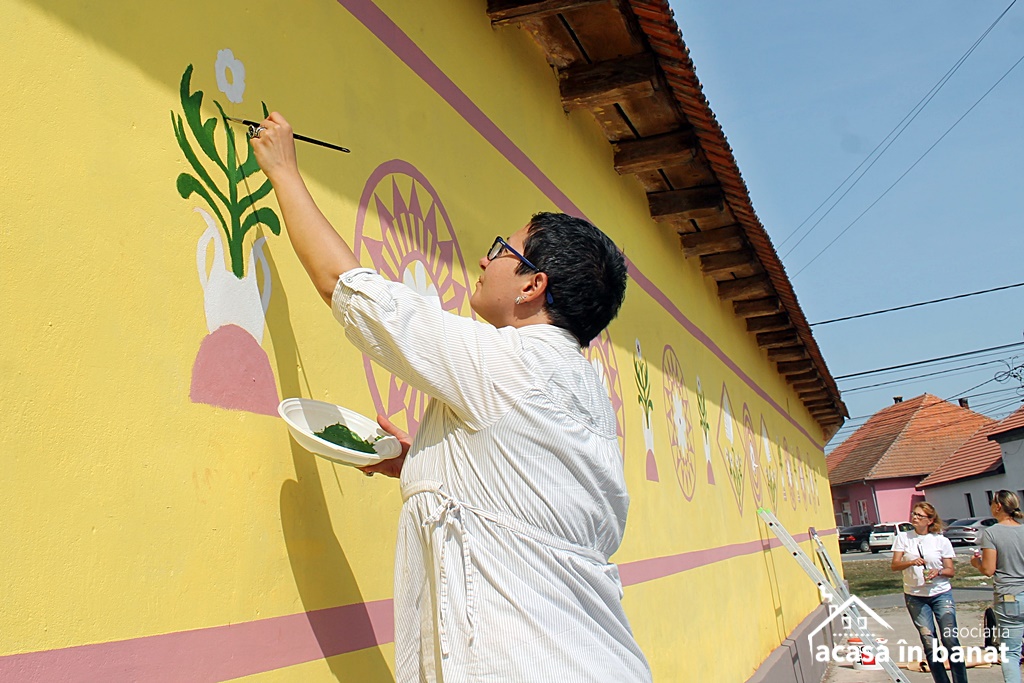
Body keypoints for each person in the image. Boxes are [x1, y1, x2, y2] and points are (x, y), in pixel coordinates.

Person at [251, 113, 652, 682]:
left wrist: (284, 171)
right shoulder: (582, 388)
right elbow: (518, 494)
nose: (484, 260)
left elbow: (348, 289)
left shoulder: (508, 363)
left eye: (501, 250)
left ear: (534, 285)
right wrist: (420, 459)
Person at [891, 502, 969, 683]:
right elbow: (895, 565)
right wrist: (910, 562)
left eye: (920, 516)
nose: (915, 518)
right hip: (915, 596)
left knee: (950, 640)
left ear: (930, 520)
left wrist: (938, 572)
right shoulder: (903, 538)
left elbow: (951, 570)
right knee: (929, 642)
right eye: (914, 514)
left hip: (940, 593)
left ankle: (961, 680)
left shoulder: (941, 540)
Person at [971, 490, 1024, 683]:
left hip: (1009, 596)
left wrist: (976, 562)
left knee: (1011, 654)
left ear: (998, 506)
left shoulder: (992, 533)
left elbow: (988, 569)